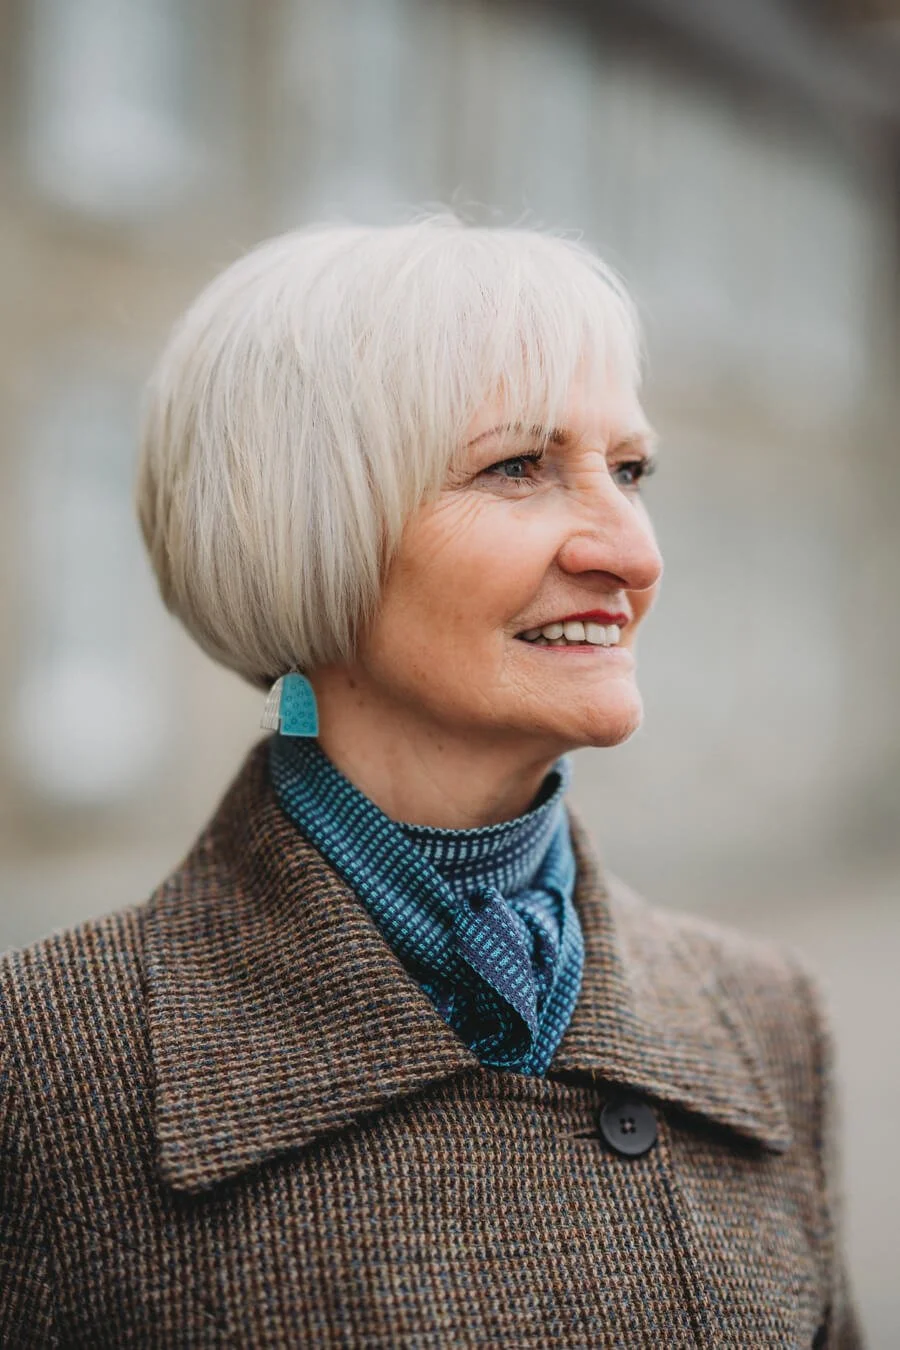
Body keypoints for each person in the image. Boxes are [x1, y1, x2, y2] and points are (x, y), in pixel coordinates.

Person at [0, 217, 862, 1347]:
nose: (634, 552)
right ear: (304, 524)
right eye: (518, 467)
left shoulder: (767, 1020)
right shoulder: (48, 1070)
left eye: (631, 470)